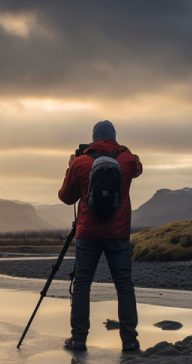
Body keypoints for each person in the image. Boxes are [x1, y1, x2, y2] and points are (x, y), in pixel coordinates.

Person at [58, 120, 142, 352]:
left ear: (93, 138)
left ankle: (78, 339)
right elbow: (138, 168)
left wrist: (71, 166)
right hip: (118, 232)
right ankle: (130, 340)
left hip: (88, 233)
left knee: (83, 284)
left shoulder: (81, 163)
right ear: (114, 137)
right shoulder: (126, 159)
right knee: (124, 284)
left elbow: (66, 197)